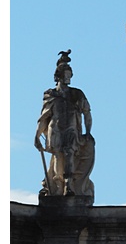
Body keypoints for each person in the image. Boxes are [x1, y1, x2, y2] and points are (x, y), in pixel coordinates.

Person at [34, 50, 95, 198]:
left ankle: (68, 185)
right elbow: (44, 117)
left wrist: (87, 132)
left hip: (72, 129)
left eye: (70, 75)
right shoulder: (51, 95)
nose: (69, 78)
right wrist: (37, 136)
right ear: (59, 76)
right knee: (58, 157)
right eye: (66, 75)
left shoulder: (76, 94)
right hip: (55, 129)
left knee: (69, 154)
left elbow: (87, 113)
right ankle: (57, 185)